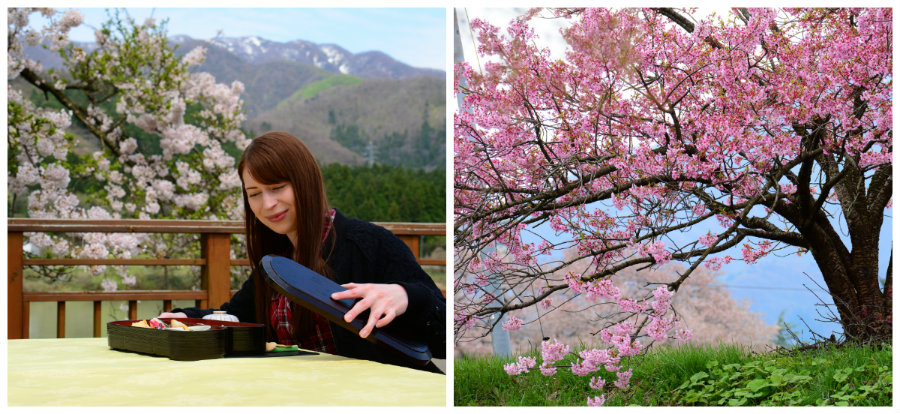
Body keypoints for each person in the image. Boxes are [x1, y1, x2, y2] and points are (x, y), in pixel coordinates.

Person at [159, 131, 445, 371]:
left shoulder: (367, 243)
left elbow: (443, 336)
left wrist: (406, 295)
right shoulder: (276, 264)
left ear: (305, 182)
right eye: (254, 194)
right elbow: (234, 316)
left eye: (277, 187)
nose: (267, 204)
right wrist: (185, 318)